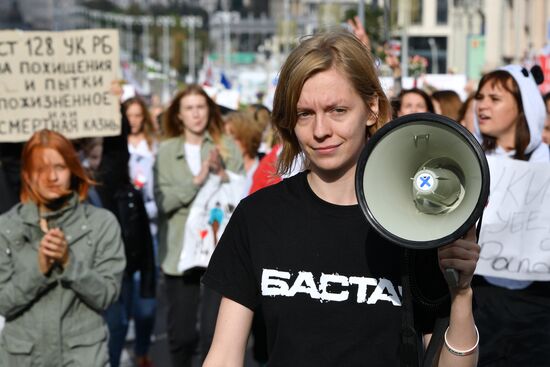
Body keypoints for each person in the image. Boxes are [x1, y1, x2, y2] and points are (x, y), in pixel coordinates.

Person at [203, 29, 479, 367]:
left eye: (337, 110)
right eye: (305, 114)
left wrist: (461, 294)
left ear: (372, 109)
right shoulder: (258, 216)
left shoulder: (417, 223)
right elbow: (224, 355)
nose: (320, 130)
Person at [0, 129, 125, 366]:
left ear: (73, 169)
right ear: (27, 175)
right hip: (24, 358)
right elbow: (3, 302)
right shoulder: (7, 227)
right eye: (41, 169)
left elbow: (107, 295)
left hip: (82, 357)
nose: (51, 177)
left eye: (59, 167)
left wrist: (70, 264)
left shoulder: (101, 224)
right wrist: (39, 271)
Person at [154, 84, 243, 367]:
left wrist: (221, 174)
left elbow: (241, 194)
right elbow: (163, 201)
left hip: (218, 249)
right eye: (189, 109)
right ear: (178, 115)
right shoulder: (167, 151)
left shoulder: (226, 146)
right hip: (179, 252)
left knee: (212, 334)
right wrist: (198, 179)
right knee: (181, 335)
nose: (196, 114)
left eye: (201, 107)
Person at [472, 65, 550, 366]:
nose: (483, 105)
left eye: (495, 98)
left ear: (523, 107)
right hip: (481, 299)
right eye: (480, 97)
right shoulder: (468, 159)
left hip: (539, 304)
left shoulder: (546, 164)